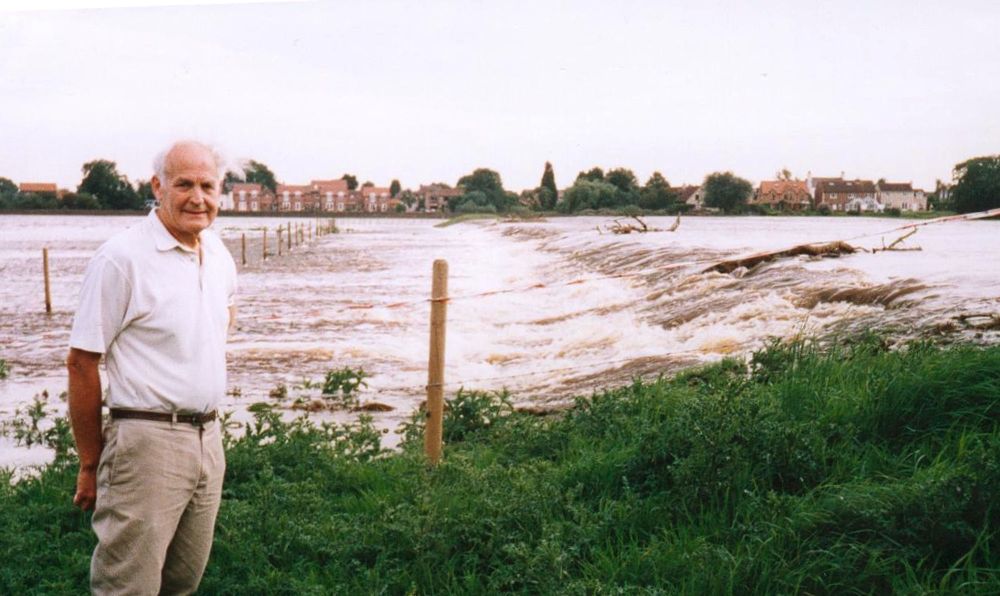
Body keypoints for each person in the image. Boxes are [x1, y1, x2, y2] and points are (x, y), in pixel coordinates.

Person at [66, 140, 237, 595]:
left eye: (207, 185)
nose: (197, 198)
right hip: (146, 442)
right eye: (184, 184)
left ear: (221, 191)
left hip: (208, 440)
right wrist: (89, 463)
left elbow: (221, 322)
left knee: (182, 582)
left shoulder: (219, 255)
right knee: (129, 586)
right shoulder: (121, 259)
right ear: (158, 186)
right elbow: (82, 363)